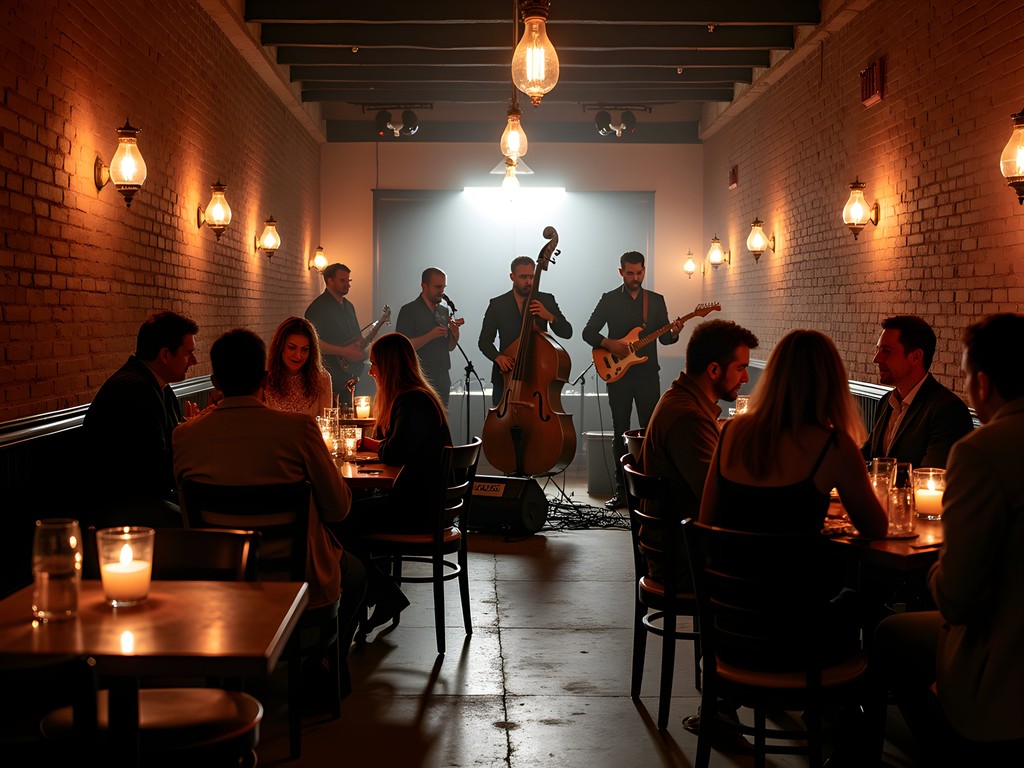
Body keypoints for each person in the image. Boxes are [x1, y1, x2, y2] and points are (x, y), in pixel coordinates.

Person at [172, 328, 365, 698]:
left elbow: (187, 519)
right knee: (355, 575)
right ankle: (321, 668)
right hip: (297, 578)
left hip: (221, 579)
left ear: (215, 382)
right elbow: (339, 509)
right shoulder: (298, 430)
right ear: (264, 378)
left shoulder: (185, 436)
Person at [873, 313, 1024, 765]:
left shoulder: (980, 450)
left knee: (887, 632)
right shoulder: (886, 402)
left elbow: (957, 599)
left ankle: (927, 748)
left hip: (1003, 651)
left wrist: (938, 570)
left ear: (982, 382)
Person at [701, 329, 887, 538]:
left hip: (723, 568)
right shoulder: (835, 447)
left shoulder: (731, 432)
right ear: (831, 382)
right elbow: (877, 529)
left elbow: (706, 520)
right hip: (796, 570)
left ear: (773, 376)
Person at [338, 333, 453, 634]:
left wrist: (375, 445)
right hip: (424, 501)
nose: (371, 370)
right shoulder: (415, 397)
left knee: (341, 522)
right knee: (350, 517)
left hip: (421, 510)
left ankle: (378, 595)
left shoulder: (412, 401)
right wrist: (380, 444)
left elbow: (395, 450)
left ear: (388, 366)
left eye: (374, 364)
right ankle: (379, 593)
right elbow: (395, 446)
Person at [638, 318, 760, 581]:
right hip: (684, 558)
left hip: (680, 546)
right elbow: (721, 499)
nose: (746, 377)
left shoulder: (682, 400)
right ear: (714, 370)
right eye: (741, 368)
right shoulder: (688, 418)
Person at [582, 251, 684, 509]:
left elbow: (663, 339)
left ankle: (650, 490)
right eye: (630, 273)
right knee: (620, 432)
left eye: (639, 272)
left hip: (648, 375)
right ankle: (622, 492)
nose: (635, 277)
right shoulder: (609, 300)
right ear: (621, 272)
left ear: (644, 271)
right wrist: (609, 344)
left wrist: (674, 333)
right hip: (618, 376)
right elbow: (588, 332)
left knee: (650, 432)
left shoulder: (656, 301)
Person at [83, 310, 199, 528]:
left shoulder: (159, 386)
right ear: (165, 355)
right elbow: (155, 470)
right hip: (121, 507)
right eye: (188, 353)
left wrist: (189, 431)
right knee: (199, 520)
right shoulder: (135, 390)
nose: (193, 360)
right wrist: (191, 437)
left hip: (145, 496)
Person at [863, 315, 974, 468]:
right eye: (878, 350)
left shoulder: (948, 410)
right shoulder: (886, 401)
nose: (876, 359)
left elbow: (930, 474)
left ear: (915, 357)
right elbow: (867, 456)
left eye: (886, 351)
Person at [478, 255, 573, 405]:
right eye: (523, 277)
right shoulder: (497, 304)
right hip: (506, 376)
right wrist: (498, 358)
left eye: (531, 277)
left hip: (538, 376)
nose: (528, 282)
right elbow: (484, 342)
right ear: (512, 277)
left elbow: (567, 332)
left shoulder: (546, 300)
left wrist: (549, 316)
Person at [395, 267, 464, 408]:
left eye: (443, 287)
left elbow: (449, 347)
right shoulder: (409, 310)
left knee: (440, 422)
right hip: (419, 378)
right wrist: (430, 335)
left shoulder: (444, 311)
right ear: (424, 286)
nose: (442, 291)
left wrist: (455, 333)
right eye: (438, 287)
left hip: (443, 377)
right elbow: (402, 346)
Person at [305, 263, 368, 399]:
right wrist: (343, 351)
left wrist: (361, 345)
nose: (347, 284)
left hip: (352, 372)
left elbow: (357, 335)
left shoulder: (349, 306)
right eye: (342, 280)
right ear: (330, 280)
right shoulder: (318, 307)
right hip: (330, 374)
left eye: (348, 280)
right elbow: (312, 342)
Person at [265, 316, 333, 419]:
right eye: (292, 348)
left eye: (304, 350)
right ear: (280, 346)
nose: (298, 356)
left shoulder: (321, 379)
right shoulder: (264, 378)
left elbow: (326, 425)